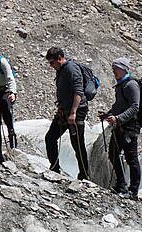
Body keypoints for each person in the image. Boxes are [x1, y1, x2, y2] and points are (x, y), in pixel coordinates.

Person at [43, 47, 90, 180]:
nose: (51, 66)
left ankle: (84, 175)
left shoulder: (71, 69)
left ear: (59, 58)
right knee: (50, 138)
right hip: (64, 111)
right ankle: (55, 168)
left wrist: (73, 112)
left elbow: (78, 91)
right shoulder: (61, 70)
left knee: (77, 144)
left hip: (76, 111)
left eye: (52, 63)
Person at [100, 57, 140, 199]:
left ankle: (133, 191)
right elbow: (119, 106)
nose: (113, 71)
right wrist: (108, 115)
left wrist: (118, 118)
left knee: (131, 158)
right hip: (120, 126)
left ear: (123, 69)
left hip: (129, 128)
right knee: (113, 154)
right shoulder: (122, 85)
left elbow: (135, 107)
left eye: (115, 69)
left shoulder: (131, 85)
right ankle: (121, 185)